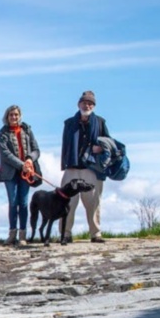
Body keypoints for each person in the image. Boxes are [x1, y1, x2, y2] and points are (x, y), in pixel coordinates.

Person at [61, 90, 111, 244]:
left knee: (93, 202)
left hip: (92, 168)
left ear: (94, 106)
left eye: (90, 103)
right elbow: (65, 145)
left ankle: (95, 234)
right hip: (72, 167)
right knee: (66, 202)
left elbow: (109, 143)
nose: (87, 105)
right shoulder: (69, 123)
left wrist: (101, 148)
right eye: (84, 102)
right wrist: (65, 164)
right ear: (79, 104)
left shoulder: (100, 122)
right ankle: (65, 234)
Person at [0, 105, 40, 247]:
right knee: (13, 203)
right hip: (10, 174)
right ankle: (12, 234)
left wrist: (29, 159)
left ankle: (23, 234)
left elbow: (36, 150)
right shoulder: (2, 134)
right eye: (11, 115)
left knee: (24, 203)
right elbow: (6, 154)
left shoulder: (27, 130)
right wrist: (22, 165)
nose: (14, 117)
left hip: (25, 173)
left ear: (20, 116)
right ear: (7, 117)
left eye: (16, 114)